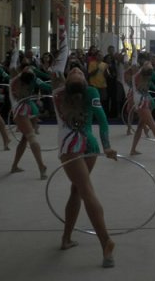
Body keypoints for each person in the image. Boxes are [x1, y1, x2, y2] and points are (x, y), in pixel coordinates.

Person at [50, 15, 117, 268]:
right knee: (77, 189)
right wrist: (63, 28)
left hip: (74, 148)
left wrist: (108, 144)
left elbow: (102, 118)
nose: (76, 70)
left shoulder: (71, 92)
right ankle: (66, 237)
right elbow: (61, 60)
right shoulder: (74, 92)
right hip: (88, 147)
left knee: (85, 190)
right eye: (73, 69)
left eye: (79, 70)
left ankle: (106, 241)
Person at [7, 28, 50, 180]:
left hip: (24, 109)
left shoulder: (25, 77)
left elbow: (47, 87)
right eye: (27, 66)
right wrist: (15, 41)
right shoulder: (16, 77)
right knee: (31, 137)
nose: (29, 66)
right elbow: (14, 58)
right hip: (19, 111)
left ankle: (14, 166)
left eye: (30, 67)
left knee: (25, 139)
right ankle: (41, 166)